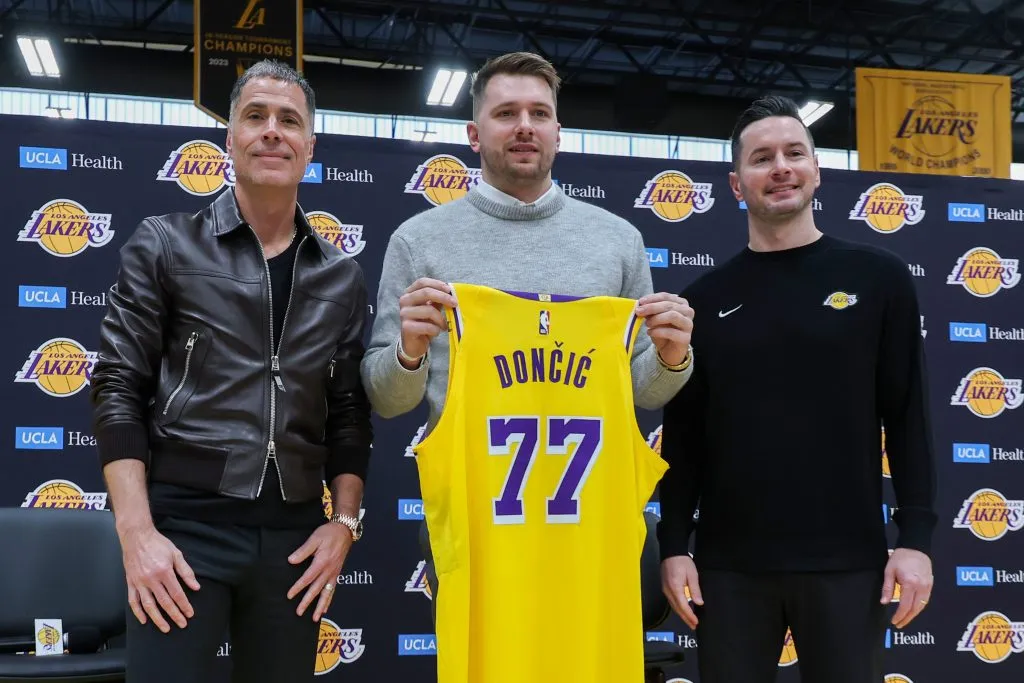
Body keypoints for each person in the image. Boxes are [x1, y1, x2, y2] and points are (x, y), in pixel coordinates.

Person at [359, 52, 694, 682]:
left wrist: (674, 356)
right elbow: (388, 398)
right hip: (485, 541)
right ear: (474, 133)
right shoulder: (420, 241)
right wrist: (407, 351)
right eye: (506, 113)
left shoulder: (616, 240)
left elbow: (641, 392)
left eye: (540, 113)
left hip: (589, 545)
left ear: (558, 131)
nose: (524, 126)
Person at [90, 60, 372, 683]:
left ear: (310, 146)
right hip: (184, 530)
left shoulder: (340, 275)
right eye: (255, 116)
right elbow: (117, 388)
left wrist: (344, 523)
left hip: (295, 542)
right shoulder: (165, 244)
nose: (273, 131)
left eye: (289, 120)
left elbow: (350, 412)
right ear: (230, 140)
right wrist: (137, 534)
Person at [657, 95, 937, 683]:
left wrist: (914, 541)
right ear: (737, 185)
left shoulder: (879, 278)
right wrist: (675, 544)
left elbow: (907, 417)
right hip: (728, 570)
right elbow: (684, 440)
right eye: (762, 158)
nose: (780, 166)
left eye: (794, 153)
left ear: (816, 170)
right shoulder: (701, 299)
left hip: (849, 562)